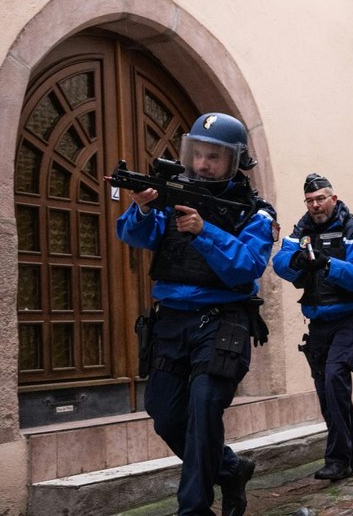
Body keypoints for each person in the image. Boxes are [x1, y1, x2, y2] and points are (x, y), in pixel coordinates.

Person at [115, 112, 277, 516]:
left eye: (214, 157)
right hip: (171, 320)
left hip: (224, 320)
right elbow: (133, 235)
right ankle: (230, 469)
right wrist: (144, 208)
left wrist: (205, 231)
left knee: (204, 408)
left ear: (235, 162)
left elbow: (246, 267)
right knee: (166, 415)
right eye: (198, 154)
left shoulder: (255, 214)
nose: (203, 164)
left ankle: (193, 509)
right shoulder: (175, 195)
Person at [271, 173, 353, 482]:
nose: (315, 205)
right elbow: (280, 263)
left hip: (351, 319)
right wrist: (300, 263)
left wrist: (327, 264)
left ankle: (337, 460)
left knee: (334, 379)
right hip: (319, 323)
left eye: (320, 199)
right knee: (329, 391)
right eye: (310, 200)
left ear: (333, 198)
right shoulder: (301, 229)